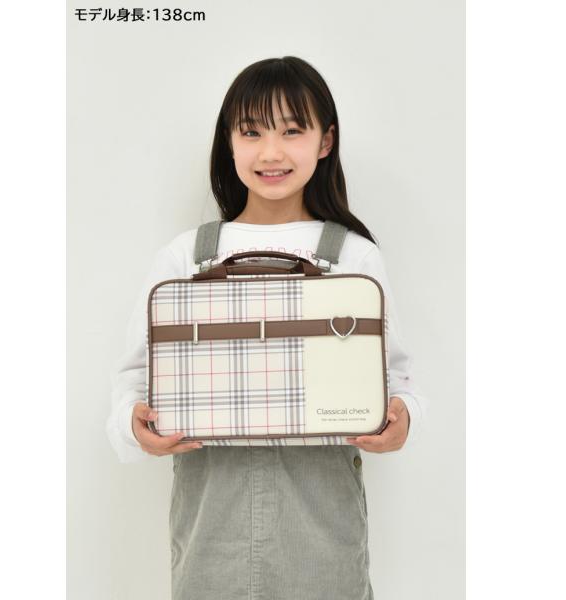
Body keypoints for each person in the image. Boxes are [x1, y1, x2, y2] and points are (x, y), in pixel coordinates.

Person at [107, 56, 427, 600]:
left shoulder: (355, 257)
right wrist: (133, 425)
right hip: (210, 523)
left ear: (325, 142)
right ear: (228, 143)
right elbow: (134, 381)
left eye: (292, 131)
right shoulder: (184, 257)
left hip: (324, 527)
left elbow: (398, 380)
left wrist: (403, 418)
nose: (271, 152)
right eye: (251, 132)